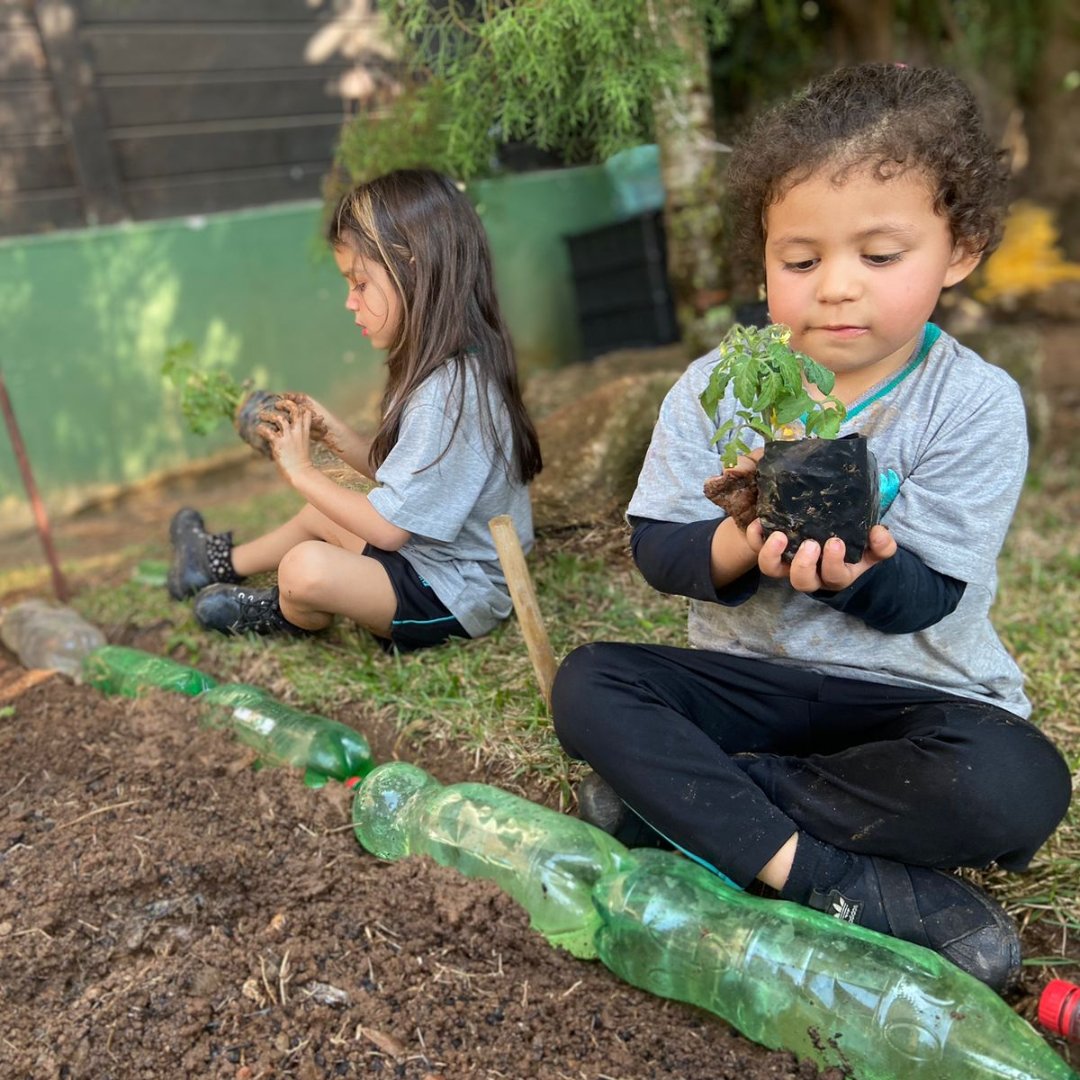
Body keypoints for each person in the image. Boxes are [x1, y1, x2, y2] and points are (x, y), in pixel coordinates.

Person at [550, 63, 1071, 992]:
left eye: (878, 257)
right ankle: (826, 878)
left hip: (909, 699)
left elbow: (930, 592)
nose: (835, 289)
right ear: (763, 260)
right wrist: (740, 542)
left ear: (962, 249)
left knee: (1018, 785)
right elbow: (657, 547)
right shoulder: (722, 385)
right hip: (747, 681)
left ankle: (690, 803)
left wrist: (856, 571)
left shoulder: (974, 403)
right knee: (589, 684)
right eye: (800, 261)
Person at [167, 169, 542, 653]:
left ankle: (287, 612)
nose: (350, 302)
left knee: (305, 567)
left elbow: (388, 529)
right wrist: (334, 436)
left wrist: (301, 470)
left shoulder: (448, 393)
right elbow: (406, 480)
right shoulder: (450, 371)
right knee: (323, 514)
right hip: (427, 563)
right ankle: (215, 565)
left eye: (360, 283)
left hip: (454, 593)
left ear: (413, 268)